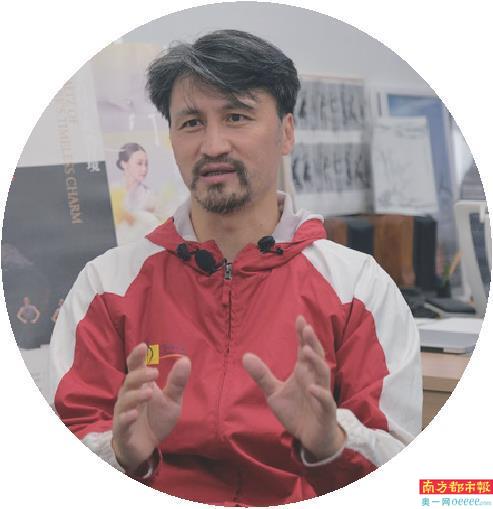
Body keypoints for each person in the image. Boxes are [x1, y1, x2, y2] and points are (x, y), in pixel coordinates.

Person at [49, 29, 421, 506]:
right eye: (191, 123)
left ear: (286, 132)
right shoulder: (106, 286)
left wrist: (332, 443)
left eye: (236, 117)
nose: (213, 145)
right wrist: (121, 455)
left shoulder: (359, 289)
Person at [110, 142, 161, 245]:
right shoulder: (112, 191)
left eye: (146, 164)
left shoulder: (151, 196)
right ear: (124, 164)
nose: (144, 169)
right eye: (139, 163)